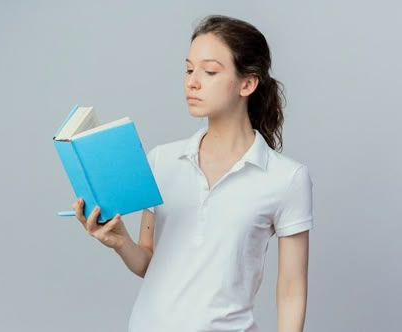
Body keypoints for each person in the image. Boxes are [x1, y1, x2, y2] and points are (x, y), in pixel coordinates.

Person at [72, 14, 313, 332]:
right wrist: (120, 242)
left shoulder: (286, 179)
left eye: (210, 71)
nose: (192, 82)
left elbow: (291, 291)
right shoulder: (162, 160)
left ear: (248, 83)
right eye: (189, 69)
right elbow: (149, 262)